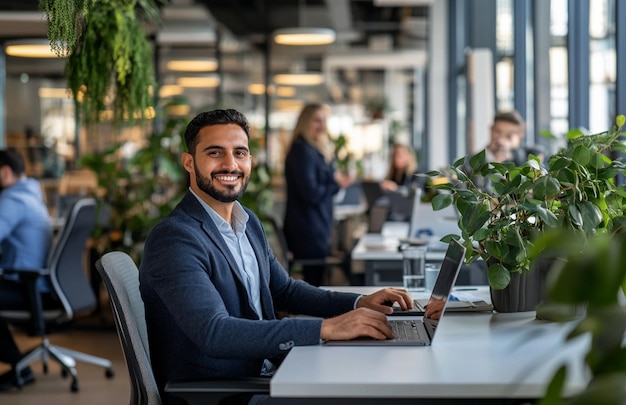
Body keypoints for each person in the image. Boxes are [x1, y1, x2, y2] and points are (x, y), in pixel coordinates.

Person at [139, 109, 414, 405]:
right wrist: (328, 328)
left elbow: (285, 290)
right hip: (228, 393)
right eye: (215, 153)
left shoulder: (247, 222)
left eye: (240, 153)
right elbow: (215, 332)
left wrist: (359, 302)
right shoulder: (175, 238)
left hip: (269, 373)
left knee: (383, 379)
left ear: (250, 161)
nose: (230, 164)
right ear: (189, 162)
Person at [283, 103, 353, 287]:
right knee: (315, 281)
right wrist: (336, 183)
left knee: (318, 280)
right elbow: (311, 193)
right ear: (305, 122)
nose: (322, 125)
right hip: (307, 230)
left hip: (315, 227)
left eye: (324, 120)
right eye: (317, 120)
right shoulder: (302, 151)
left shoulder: (313, 149)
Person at [0, 149, 53, 391]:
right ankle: (18, 364)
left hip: (29, 288)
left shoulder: (13, 200)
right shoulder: (31, 193)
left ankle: (19, 365)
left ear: (5, 172)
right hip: (36, 285)